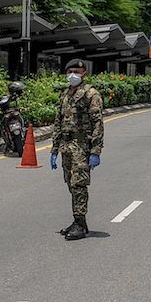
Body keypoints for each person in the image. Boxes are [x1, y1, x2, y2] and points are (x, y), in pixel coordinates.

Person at [50, 58, 104, 241]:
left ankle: (79, 223)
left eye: (76, 71)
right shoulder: (66, 94)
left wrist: (96, 150)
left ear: (84, 74)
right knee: (69, 183)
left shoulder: (90, 94)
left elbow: (98, 123)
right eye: (69, 71)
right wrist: (54, 149)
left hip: (82, 146)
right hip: (66, 145)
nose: (72, 75)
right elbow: (58, 122)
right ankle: (79, 221)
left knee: (78, 184)